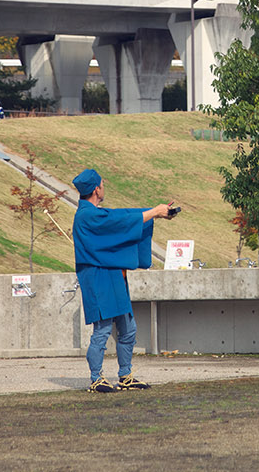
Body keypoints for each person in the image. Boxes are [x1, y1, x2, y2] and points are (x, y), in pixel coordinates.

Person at [70, 168, 174, 393]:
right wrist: (154, 211)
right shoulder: (87, 216)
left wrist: (156, 212)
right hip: (99, 279)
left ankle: (125, 376)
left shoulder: (94, 214)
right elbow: (119, 222)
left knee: (128, 329)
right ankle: (96, 378)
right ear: (97, 189)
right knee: (102, 330)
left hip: (114, 276)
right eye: (103, 184)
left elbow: (120, 217)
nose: (104, 186)